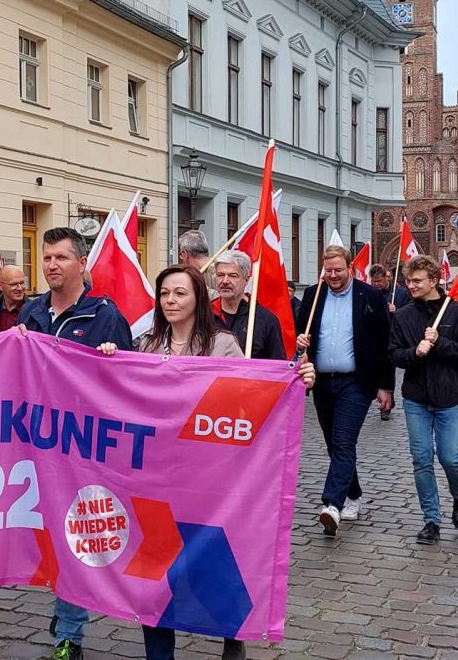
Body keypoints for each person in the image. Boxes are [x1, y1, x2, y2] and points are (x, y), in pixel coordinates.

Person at [98, 264, 314, 660]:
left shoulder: (222, 345)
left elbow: (254, 395)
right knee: (157, 576)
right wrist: (110, 357)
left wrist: (295, 377)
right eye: (164, 294)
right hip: (157, 479)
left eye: (179, 293)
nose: (170, 301)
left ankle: (234, 638)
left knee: (215, 566)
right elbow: (121, 393)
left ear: (198, 297)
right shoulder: (145, 346)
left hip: (209, 480)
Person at [16, 227, 133, 660]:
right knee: (43, 536)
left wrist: (110, 362)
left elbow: (127, 383)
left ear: (82, 264)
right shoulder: (30, 312)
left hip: (83, 448)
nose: (51, 265)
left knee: (76, 536)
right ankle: (65, 602)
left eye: (61, 257)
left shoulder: (105, 315)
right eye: (46, 257)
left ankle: (69, 635)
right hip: (34, 441)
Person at [296, 245, 393, 537]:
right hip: (323, 381)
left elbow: (383, 344)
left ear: (350, 268)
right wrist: (300, 341)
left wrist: (386, 386)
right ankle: (353, 492)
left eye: (339, 270)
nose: (334, 276)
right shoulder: (314, 295)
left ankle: (332, 505)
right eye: (329, 271)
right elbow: (301, 333)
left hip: (357, 381)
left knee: (343, 440)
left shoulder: (371, 297)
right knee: (334, 444)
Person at [389, 255, 458, 544]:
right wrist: (415, 352)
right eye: (408, 280)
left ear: (434, 281)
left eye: (417, 281)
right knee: (422, 459)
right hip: (416, 398)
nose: (410, 285)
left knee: (449, 457)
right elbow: (393, 354)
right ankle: (431, 520)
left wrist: (440, 343)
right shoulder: (403, 316)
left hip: (449, 397)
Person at [211, 250, 285, 359]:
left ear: (246, 280)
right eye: (220, 275)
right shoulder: (204, 314)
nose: (225, 281)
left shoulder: (265, 319)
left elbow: (277, 365)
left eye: (233, 276)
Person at [369, 264, 409, 421]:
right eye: (374, 281)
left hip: (391, 338)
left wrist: (396, 310)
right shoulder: (369, 293)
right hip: (372, 337)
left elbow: (410, 312)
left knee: (387, 372)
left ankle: (387, 405)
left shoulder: (400, 293)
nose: (376, 284)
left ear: (386, 277)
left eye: (379, 281)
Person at [0, 265, 27, 334]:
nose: (19, 288)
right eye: (14, 284)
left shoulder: (34, 311)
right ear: (0, 286)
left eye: (22, 283)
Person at [177, 229, 217, 299]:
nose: (181, 258)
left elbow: (225, 301)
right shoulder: (219, 268)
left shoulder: (219, 273)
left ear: (185, 254)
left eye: (181, 255)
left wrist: (197, 287)